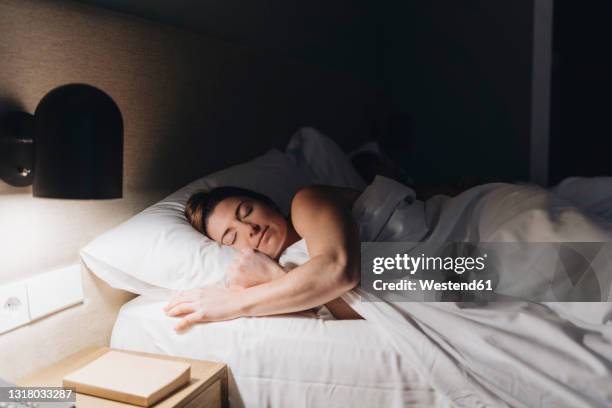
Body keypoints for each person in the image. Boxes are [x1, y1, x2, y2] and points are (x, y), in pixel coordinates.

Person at [164, 185, 364, 331]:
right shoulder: (293, 276)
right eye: (232, 237)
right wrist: (278, 277)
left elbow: (338, 270)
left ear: (269, 204)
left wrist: (232, 303)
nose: (250, 229)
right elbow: (365, 313)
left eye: (247, 211)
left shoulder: (306, 201)